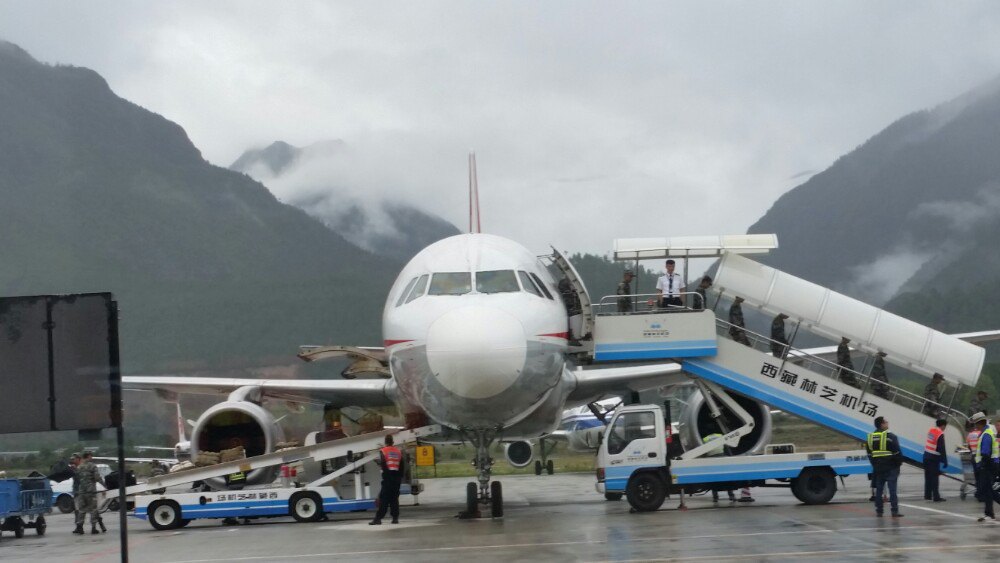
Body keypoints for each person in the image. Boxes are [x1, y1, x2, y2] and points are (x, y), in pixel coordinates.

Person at [866, 416, 904, 518]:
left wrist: (874, 464)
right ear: (882, 424)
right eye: (886, 422)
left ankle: (879, 511)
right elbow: (897, 453)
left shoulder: (870, 437)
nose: (887, 423)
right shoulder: (891, 436)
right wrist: (898, 464)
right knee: (892, 490)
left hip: (878, 468)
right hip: (891, 467)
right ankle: (894, 511)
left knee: (879, 490)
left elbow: (869, 454)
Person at [370, 434, 405, 525]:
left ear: (385, 442)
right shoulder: (398, 451)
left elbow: (384, 464)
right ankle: (395, 518)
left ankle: (378, 518)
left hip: (387, 477)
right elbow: (401, 466)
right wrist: (399, 478)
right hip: (396, 478)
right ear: (393, 442)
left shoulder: (383, 451)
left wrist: (385, 476)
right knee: (394, 498)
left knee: (384, 498)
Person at [75, 451, 105, 535]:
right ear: (88, 456)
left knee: (81, 510)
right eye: (91, 456)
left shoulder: (79, 467)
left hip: (82, 491)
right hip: (91, 491)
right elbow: (97, 477)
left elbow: (78, 478)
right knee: (93, 509)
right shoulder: (92, 466)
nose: (92, 458)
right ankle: (93, 528)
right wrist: (104, 485)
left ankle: (80, 527)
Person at [975, 414, 998, 522]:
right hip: (990, 465)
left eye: (976, 423)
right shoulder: (986, 433)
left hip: (988, 466)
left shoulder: (986, 435)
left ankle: (989, 514)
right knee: (988, 490)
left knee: (988, 490)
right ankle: (989, 513)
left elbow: (985, 453)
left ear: (980, 423)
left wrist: (983, 465)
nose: (975, 426)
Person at [923, 419, 948, 502]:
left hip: (926, 456)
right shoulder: (940, 434)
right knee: (935, 477)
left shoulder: (931, 430)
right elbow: (941, 448)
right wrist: (945, 460)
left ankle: (927, 495)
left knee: (928, 477)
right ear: (943, 425)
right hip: (933, 457)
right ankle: (936, 496)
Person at [967, 415, 985, 502]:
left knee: (977, 476)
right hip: (979, 457)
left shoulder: (969, 435)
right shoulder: (980, 434)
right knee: (982, 476)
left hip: (973, 457)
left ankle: (978, 492)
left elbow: (969, 446)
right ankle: (981, 494)